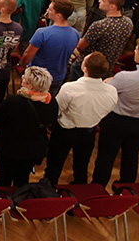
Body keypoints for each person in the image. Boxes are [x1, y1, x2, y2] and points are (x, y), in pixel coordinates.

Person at [92, 37, 139, 186]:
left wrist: (109, 81)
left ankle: (98, 188)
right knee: (131, 157)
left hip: (117, 122)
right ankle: (126, 188)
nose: (134, 51)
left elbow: (104, 89)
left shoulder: (125, 77)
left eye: (137, 50)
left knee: (106, 157)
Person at [44, 52, 117, 185]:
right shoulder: (111, 91)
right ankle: (79, 190)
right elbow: (108, 110)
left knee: (54, 165)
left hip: (64, 132)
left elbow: (57, 110)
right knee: (81, 166)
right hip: (89, 131)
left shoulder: (69, 88)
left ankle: (48, 190)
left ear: (85, 68)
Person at [0, 65, 58, 187]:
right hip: (33, 149)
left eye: (24, 78)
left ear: (30, 86)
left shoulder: (14, 101)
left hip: (9, 148)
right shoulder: (51, 101)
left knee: (3, 179)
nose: (21, 78)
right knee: (22, 179)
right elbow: (51, 121)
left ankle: (2, 203)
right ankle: (20, 201)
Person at [19, 0, 81, 95]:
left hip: (37, 78)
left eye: (50, 9)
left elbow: (28, 53)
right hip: (58, 76)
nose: (47, 11)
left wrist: (22, 66)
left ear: (59, 15)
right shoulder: (75, 34)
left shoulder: (42, 33)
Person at [69, 0, 132, 81]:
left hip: (87, 66)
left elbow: (80, 47)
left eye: (103, 0)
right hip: (107, 67)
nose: (99, 1)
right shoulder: (128, 22)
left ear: (112, 6)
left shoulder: (100, 25)